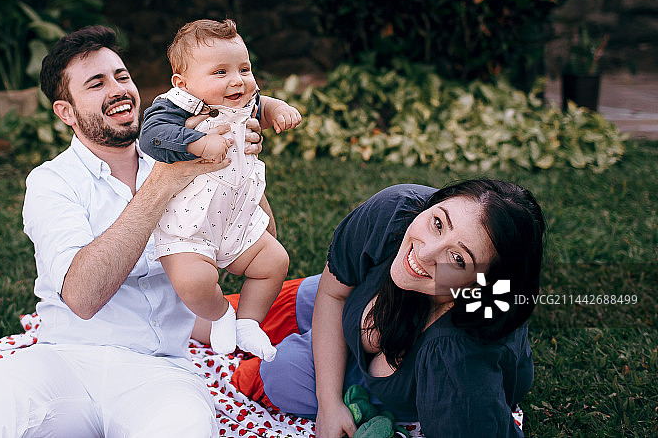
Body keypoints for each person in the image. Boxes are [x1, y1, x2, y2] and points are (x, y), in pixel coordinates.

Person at [0, 25, 269, 438]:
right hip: (65, 362)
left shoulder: (190, 152)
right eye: (96, 83)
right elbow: (82, 296)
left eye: (122, 76)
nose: (118, 89)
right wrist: (161, 184)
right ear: (66, 112)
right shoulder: (53, 181)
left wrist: (240, 162)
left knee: (186, 427)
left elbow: (257, 241)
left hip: (162, 371)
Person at [230, 180, 544, 438]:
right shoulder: (395, 211)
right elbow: (334, 294)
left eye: (458, 259)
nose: (425, 252)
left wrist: (340, 406)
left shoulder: (454, 354)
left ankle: (367, 393)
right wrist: (328, 405)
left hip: (425, 363)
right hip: (363, 292)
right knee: (231, 316)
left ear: (478, 287)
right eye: (438, 223)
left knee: (279, 372)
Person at [140, 19, 300, 361]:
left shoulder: (244, 99)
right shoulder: (177, 107)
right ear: (183, 83)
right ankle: (219, 314)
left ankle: (248, 323)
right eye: (221, 72)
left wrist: (279, 109)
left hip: (235, 219)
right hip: (188, 226)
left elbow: (262, 104)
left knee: (275, 261)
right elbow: (151, 135)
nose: (237, 80)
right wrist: (197, 143)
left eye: (244, 68)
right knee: (195, 283)